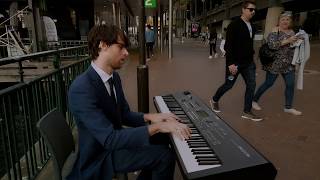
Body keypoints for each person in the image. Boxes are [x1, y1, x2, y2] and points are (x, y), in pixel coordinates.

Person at [67, 24, 191, 180]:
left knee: (163, 137)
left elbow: (124, 114)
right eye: (121, 47)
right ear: (103, 45)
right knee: (163, 156)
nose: (126, 53)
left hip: (113, 143)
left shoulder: (113, 78)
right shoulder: (82, 88)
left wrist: (151, 117)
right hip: (100, 156)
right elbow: (110, 139)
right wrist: (159, 126)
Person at [209, 1, 262, 121]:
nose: (253, 12)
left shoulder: (253, 26)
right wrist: (231, 64)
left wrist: (253, 61)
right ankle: (214, 100)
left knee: (251, 84)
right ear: (243, 10)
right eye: (250, 9)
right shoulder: (234, 24)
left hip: (248, 63)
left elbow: (249, 45)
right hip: (235, 63)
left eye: (254, 10)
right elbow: (229, 46)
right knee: (229, 85)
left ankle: (247, 111)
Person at [252, 11, 302, 115]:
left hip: (288, 65)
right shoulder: (274, 31)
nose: (285, 21)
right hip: (275, 64)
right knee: (268, 83)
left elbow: (294, 49)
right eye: (283, 19)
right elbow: (272, 45)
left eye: (287, 19)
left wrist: (296, 61)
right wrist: (288, 41)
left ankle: (288, 107)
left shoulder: (292, 32)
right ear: (279, 21)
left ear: (290, 21)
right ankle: (254, 100)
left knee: (290, 84)